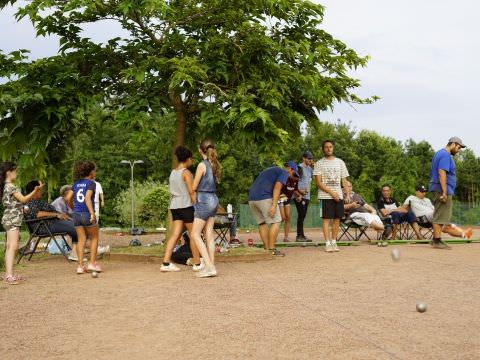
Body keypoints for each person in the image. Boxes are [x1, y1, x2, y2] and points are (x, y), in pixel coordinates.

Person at [161, 146, 202, 272]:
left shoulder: (173, 172)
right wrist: (199, 206)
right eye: (191, 159)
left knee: (175, 235)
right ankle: (197, 263)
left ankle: (166, 263)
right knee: (194, 234)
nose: (192, 161)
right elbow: (191, 191)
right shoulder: (186, 173)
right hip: (186, 206)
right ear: (188, 159)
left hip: (174, 206)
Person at [1, 163, 43, 285]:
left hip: (9, 217)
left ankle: (9, 274)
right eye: (15, 171)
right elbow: (23, 199)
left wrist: (22, 208)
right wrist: (35, 190)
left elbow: (14, 203)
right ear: (9, 172)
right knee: (12, 246)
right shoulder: (11, 187)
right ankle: (9, 275)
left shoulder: (5, 186)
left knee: (10, 246)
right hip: (13, 219)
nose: (17, 173)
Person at [429, 137, 472, 249]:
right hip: (441, 189)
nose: (459, 150)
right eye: (458, 147)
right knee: (439, 216)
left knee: (441, 216)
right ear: (453, 144)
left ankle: (436, 240)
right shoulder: (445, 155)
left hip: (438, 188)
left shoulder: (440, 154)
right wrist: (444, 191)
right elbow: (442, 172)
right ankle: (437, 241)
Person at [248, 162, 299, 257]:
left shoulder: (270, 170)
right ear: (290, 169)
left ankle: (266, 249)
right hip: (264, 197)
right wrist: (274, 205)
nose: (291, 177)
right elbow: (277, 188)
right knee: (277, 221)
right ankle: (272, 249)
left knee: (262, 223)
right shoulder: (284, 172)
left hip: (252, 199)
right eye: (294, 173)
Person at [190, 139, 221, 278]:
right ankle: (211, 266)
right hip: (214, 199)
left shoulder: (201, 165)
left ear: (200, 150)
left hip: (204, 200)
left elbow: (194, 186)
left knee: (195, 234)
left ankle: (209, 266)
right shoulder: (214, 164)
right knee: (208, 233)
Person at [314, 140, 351, 252]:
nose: (329, 149)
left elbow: (344, 180)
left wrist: (347, 194)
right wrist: (331, 193)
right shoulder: (319, 163)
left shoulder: (340, 162)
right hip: (325, 196)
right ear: (323, 149)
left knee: (337, 220)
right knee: (326, 220)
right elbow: (319, 183)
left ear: (333, 148)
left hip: (339, 196)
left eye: (330, 147)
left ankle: (334, 242)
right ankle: (327, 243)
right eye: (326, 147)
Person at [65, 161, 102, 274]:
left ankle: (80, 266)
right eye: (94, 170)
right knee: (94, 237)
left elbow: (67, 198)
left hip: (76, 214)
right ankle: (92, 264)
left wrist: (73, 208)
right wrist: (92, 214)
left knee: (81, 240)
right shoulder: (91, 183)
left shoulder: (76, 183)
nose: (95, 172)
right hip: (87, 213)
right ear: (90, 172)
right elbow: (87, 198)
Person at [24, 180, 78, 255]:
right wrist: (56, 215)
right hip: (45, 225)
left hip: (52, 223)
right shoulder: (30, 202)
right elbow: (38, 214)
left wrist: (62, 215)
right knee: (77, 227)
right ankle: (77, 252)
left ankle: (76, 251)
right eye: (40, 190)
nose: (42, 191)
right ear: (35, 190)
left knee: (79, 221)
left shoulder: (37, 200)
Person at [402, 184, 473, 240]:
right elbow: (403, 208)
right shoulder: (411, 198)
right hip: (422, 219)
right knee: (442, 215)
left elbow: (434, 209)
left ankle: (464, 234)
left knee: (445, 227)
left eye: (425, 191)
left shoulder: (427, 200)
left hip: (433, 217)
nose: (424, 193)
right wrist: (393, 210)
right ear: (416, 192)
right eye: (422, 191)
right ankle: (459, 230)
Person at [278, 162, 302, 242]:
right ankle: (273, 235)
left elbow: (295, 189)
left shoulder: (295, 180)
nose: (297, 178)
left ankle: (286, 237)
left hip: (287, 199)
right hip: (280, 198)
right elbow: (278, 188)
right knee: (282, 218)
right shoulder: (285, 177)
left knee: (288, 218)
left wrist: (299, 195)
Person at [294, 151, 314, 242]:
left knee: (303, 215)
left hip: (307, 196)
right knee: (301, 215)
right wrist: (298, 194)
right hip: (299, 196)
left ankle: (302, 235)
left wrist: (315, 166)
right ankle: (299, 236)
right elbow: (294, 182)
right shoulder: (299, 168)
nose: (310, 160)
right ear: (304, 158)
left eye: (311, 158)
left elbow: (314, 178)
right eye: (308, 158)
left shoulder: (310, 169)